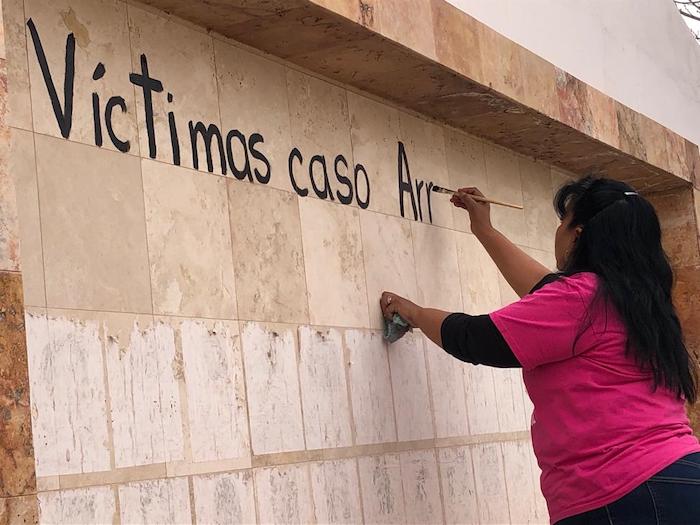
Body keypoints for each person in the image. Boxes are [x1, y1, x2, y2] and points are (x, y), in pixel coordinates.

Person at [380, 176, 700, 524]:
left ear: (578, 235)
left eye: (563, 222)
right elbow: (546, 289)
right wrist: (484, 230)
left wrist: (413, 312)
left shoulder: (582, 299)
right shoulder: (641, 301)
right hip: (683, 475)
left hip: (621, 491)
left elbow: (476, 338)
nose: (558, 232)